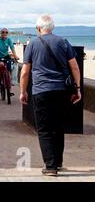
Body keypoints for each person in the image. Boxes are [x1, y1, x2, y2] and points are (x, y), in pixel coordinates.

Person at [19, 15, 81, 176]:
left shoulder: (32, 44)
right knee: (58, 127)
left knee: (45, 129)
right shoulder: (63, 42)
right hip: (62, 91)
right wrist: (78, 88)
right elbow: (74, 67)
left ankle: (50, 166)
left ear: (38, 28)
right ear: (52, 27)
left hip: (41, 91)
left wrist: (22, 91)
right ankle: (58, 161)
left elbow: (25, 72)